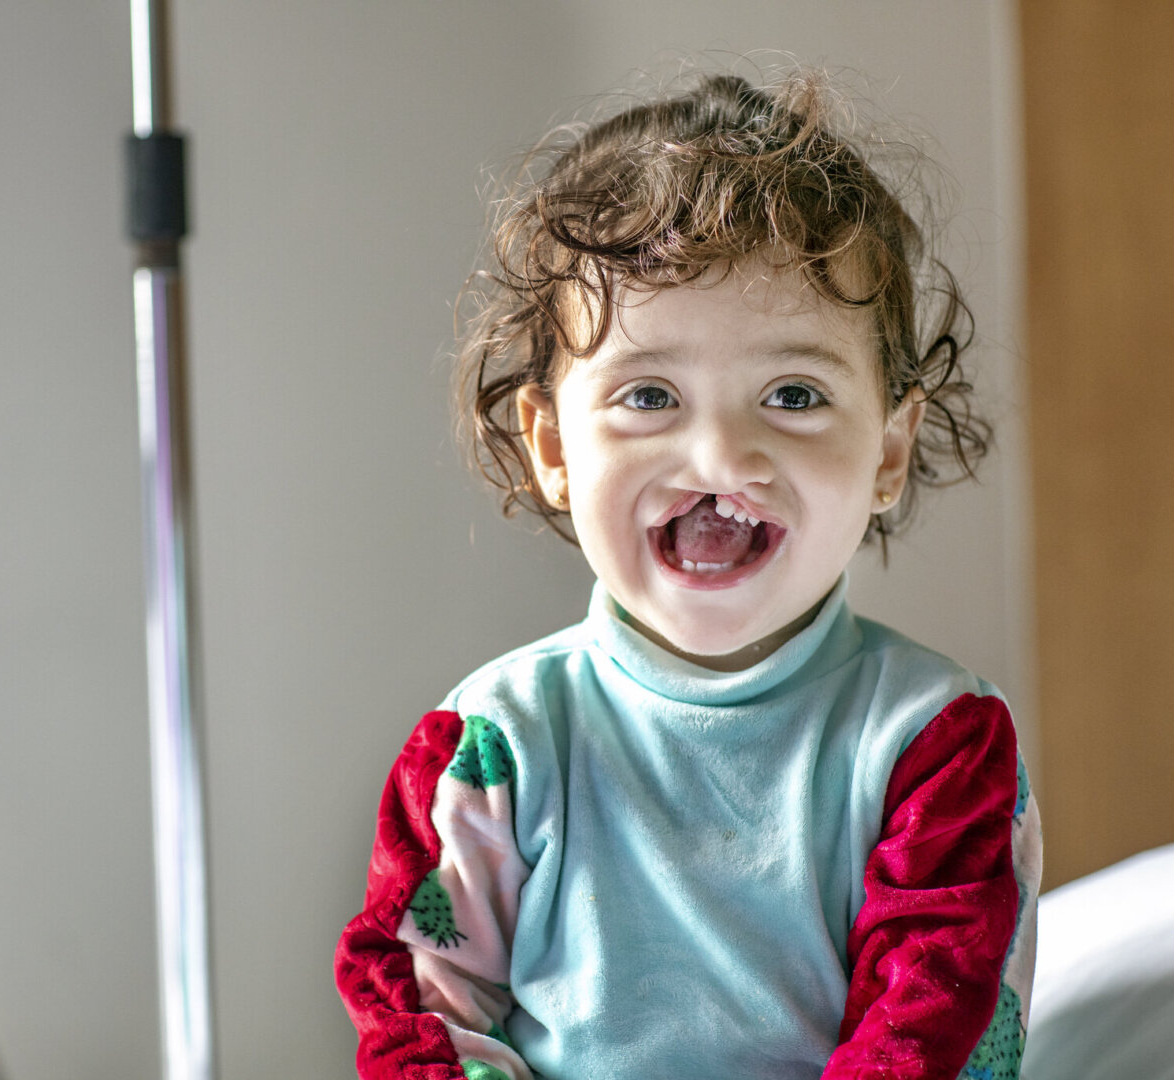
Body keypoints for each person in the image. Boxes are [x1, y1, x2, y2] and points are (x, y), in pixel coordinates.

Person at [335, 69, 1041, 1080]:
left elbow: (936, 1022)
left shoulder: (937, 745)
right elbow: (420, 1016)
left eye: (793, 393)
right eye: (650, 394)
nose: (719, 459)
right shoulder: (492, 746)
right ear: (552, 445)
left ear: (889, 451)